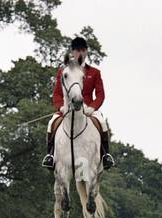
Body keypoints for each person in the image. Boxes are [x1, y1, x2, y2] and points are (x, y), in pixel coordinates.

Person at [42, 36, 114, 171]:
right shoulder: (63, 72)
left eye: (83, 50)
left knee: (102, 122)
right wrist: (61, 107)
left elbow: (100, 94)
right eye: (77, 50)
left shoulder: (94, 72)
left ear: (86, 52)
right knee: (52, 123)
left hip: (87, 108)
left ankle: (106, 155)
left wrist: (93, 107)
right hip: (67, 108)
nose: (80, 53)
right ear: (72, 52)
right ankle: (50, 155)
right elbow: (57, 93)